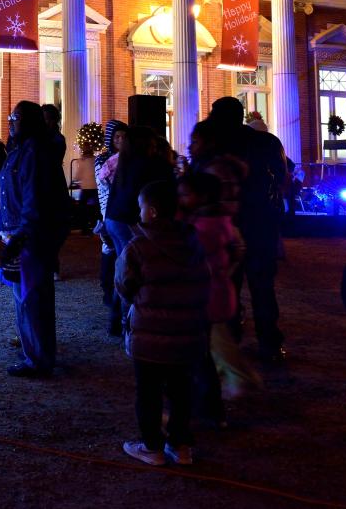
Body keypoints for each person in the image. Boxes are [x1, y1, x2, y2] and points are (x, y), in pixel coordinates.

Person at [117, 180, 211, 466]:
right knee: (182, 390)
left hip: (150, 335)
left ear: (153, 211)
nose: (139, 213)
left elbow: (123, 284)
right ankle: (180, 444)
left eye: (141, 207)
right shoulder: (193, 242)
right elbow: (205, 280)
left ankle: (152, 445)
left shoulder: (139, 246)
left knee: (148, 391)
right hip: (188, 332)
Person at [207, 96, 288, 361]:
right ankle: (269, 343)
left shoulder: (214, 145)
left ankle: (231, 339)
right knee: (262, 285)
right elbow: (282, 178)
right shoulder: (267, 142)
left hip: (227, 223)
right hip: (260, 222)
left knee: (228, 282)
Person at [0, 100, 67, 377]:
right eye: (10, 116)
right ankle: (32, 350)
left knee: (32, 297)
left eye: (15, 117)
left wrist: (22, 234)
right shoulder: (20, 150)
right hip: (18, 232)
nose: (10, 122)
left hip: (30, 236)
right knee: (23, 295)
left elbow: (34, 197)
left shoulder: (35, 152)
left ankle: (38, 358)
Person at [178, 170, 253, 425]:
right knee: (205, 351)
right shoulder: (219, 221)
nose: (181, 199)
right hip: (215, 294)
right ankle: (209, 404)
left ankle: (208, 409)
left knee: (199, 356)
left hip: (203, 297)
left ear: (203, 196)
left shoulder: (202, 227)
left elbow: (185, 257)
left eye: (186, 194)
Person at [104, 126, 174, 335]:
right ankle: (128, 325)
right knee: (132, 272)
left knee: (123, 267)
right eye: (152, 144)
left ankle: (116, 322)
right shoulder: (148, 164)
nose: (154, 147)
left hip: (114, 218)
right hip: (129, 220)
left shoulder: (125, 161)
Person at [95, 120, 128, 308]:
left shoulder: (128, 157)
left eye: (124, 136)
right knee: (108, 249)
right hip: (109, 209)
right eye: (117, 136)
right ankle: (108, 289)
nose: (120, 140)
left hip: (122, 211)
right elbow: (105, 185)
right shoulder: (103, 160)